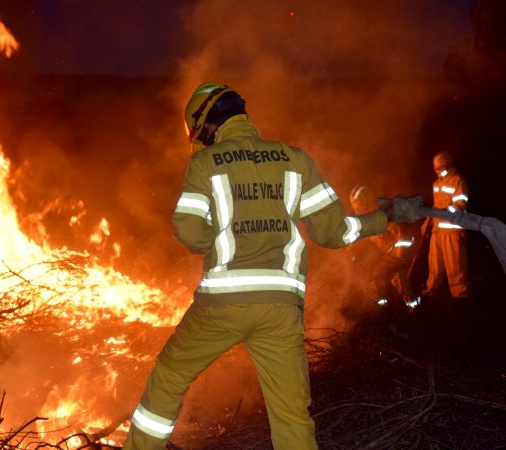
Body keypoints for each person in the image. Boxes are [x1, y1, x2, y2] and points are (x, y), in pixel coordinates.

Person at [123, 82, 412, 450]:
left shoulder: (204, 163)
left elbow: (191, 233)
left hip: (222, 306)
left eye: (200, 132)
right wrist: (382, 220)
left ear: (207, 123)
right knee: (291, 413)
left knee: (170, 376)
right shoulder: (295, 159)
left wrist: (229, 229)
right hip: (280, 308)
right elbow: (334, 232)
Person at [348, 185, 420, 309]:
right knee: (373, 280)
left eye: (359, 206)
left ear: (366, 202)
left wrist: (397, 258)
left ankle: (415, 309)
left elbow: (403, 237)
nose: (357, 210)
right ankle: (383, 311)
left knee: (399, 280)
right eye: (355, 207)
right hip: (387, 254)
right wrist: (351, 251)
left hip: (402, 252)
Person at [422, 151, 469, 299]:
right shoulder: (436, 184)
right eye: (434, 168)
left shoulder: (458, 182)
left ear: (447, 166)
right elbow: (436, 205)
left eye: (438, 168)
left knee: (455, 265)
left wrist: (444, 213)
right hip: (437, 232)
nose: (436, 171)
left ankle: (460, 295)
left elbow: (460, 204)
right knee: (434, 264)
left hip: (452, 232)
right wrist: (427, 222)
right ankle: (431, 291)